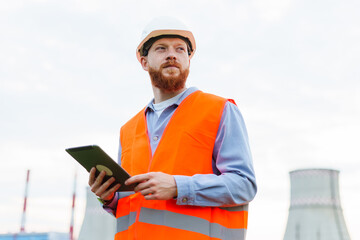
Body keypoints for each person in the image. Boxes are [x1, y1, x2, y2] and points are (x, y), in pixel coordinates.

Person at [88, 16, 257, 240]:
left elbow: (244, 185)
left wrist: (178, 186)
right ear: (144, 61)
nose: (172, 54)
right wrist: (109, 198)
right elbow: (131, 203)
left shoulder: (220, 110)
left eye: (180, 49)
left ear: (188, 59)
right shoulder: (128, 130)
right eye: (161, 48)